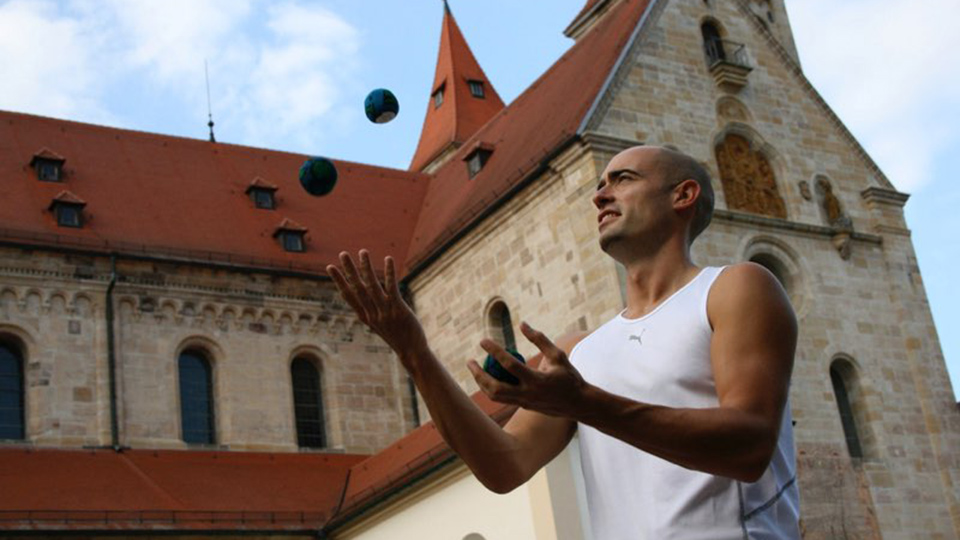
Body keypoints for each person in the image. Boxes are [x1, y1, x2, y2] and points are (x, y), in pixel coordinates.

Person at [326, 146, 800, 539]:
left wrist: (584, 403)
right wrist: (415, 353)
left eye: (623, 179)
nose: (600, 195)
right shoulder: (580, 352)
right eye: (599, 184)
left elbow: (749, 446)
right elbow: (504, 466)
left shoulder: (733, 288)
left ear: (683, 195)